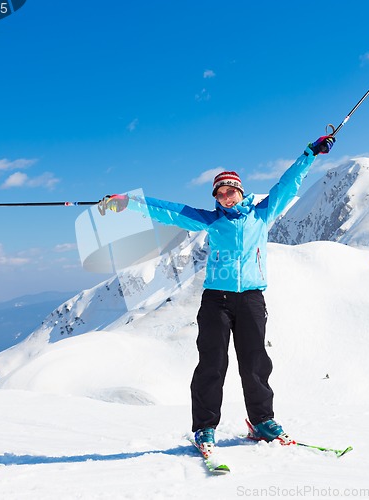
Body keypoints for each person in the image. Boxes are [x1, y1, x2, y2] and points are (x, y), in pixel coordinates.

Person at [101, 135, 335, 454]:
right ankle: (205, 428)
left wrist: (310, 153)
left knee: (255, 362)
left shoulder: (261, 213)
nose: (225, 196)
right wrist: (128, 203)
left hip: (252, 298)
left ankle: (261, 421)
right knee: (212, 363)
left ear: (240, 191)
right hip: (216, 301)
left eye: (230, 190)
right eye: (220, 193)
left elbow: (288, 184)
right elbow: (169, 211)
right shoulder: (210, 220)